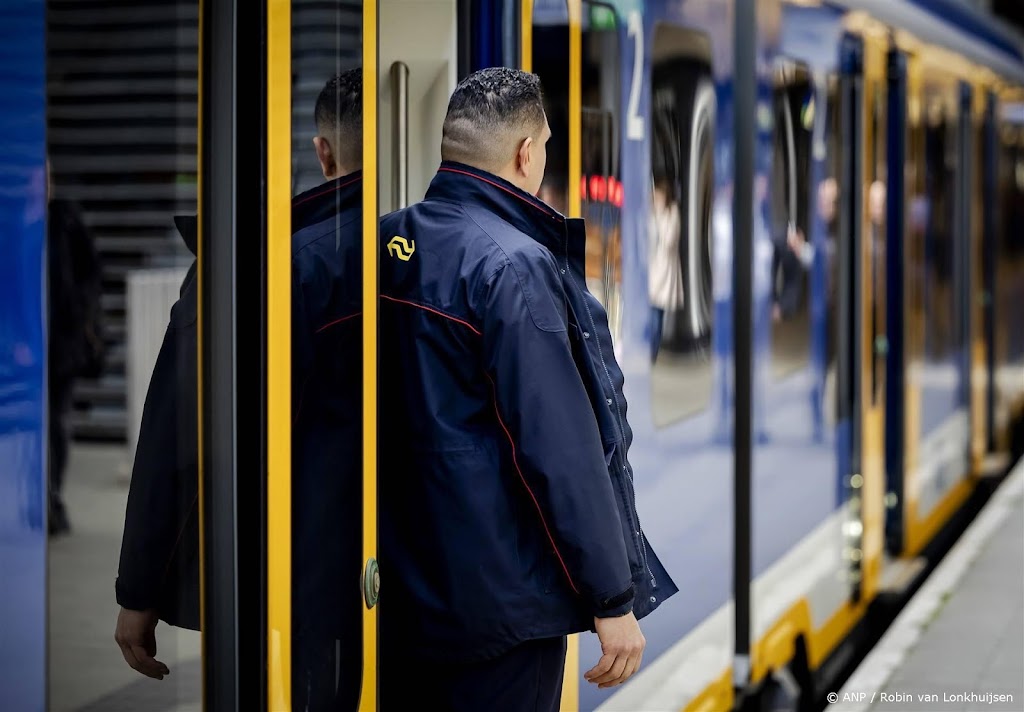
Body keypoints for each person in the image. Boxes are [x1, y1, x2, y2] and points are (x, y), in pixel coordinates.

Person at [378, 66, 677, 711]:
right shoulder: (512, 264)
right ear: (526, 152)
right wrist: (613, 597)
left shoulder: (386, 242)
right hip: (501, 613)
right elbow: (559, 448)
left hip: (400, 596)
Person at [115, 71, 365, 712]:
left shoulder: (252, 263)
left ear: (323, 152)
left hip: (297, 574)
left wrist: (139, 589)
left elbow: (178, 427)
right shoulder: (451, 254)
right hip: (443, 584)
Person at [46, 168, 104, 535]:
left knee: (55, 423)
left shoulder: (65, 219)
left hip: (60, 345)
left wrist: (83, 315)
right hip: (20, 344)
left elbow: (91, 272)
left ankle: (51, 498)